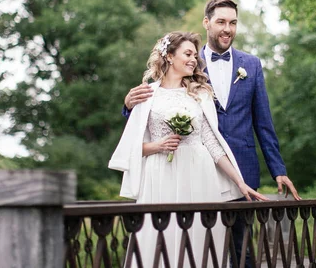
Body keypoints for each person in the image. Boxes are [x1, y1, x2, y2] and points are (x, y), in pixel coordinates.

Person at [123, 0, 301, 267]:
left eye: (233, 23)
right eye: (221, 22)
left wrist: (278, 169)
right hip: (180, 174)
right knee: (184, 245)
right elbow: (140, 118)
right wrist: (128, 106)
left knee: (240, 250)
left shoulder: (250, 65)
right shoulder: (185, 64)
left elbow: (263, 123)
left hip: (237, 166)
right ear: (207, 23)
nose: (227, 28)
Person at [109, 31, 268, 268]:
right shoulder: (147, 94)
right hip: (160, 177)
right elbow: (130, 148)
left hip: (198, 176)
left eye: (195, 54)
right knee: (161, 239)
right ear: (170, 56)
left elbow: (213, 144)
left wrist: (240, 182)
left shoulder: (200, 94)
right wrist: (157, 146)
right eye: (188, 53)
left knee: (201, 241)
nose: (194, 59)